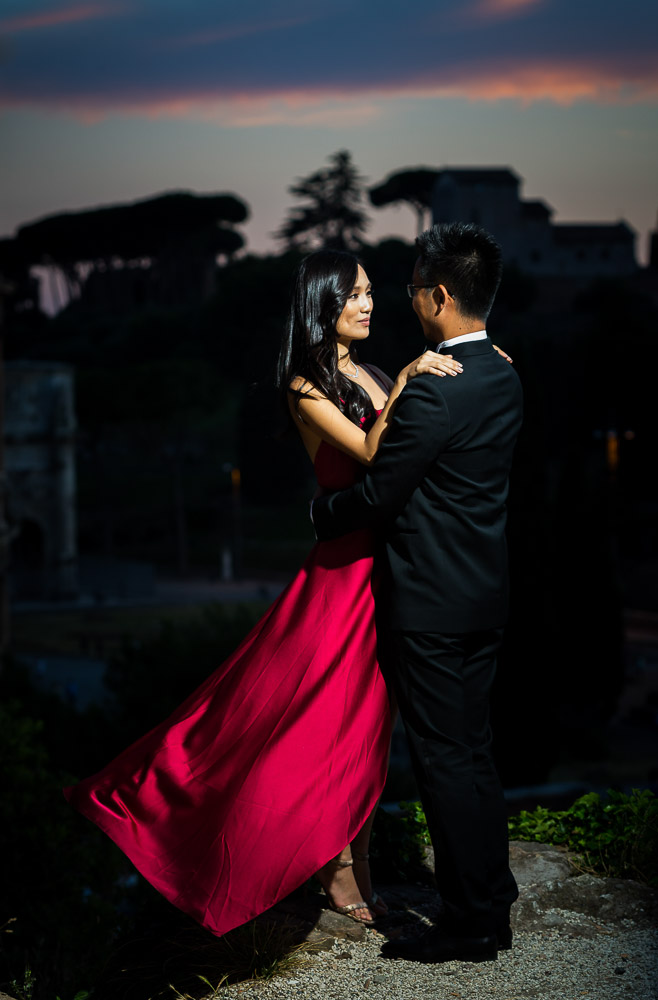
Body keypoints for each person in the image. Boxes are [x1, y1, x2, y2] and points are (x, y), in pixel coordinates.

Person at [64, 248, 459, 936]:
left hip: (384, 565)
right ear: (324, 304)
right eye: (356, 295)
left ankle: (357, 867)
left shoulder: (364, 372)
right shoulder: (304, 386)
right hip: (341, 576)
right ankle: (327, 869)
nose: (370, 304)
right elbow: (372, 457)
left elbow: (406, 453)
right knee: (307, 722)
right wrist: (406, 376)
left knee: (369, 731)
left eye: (370, 293)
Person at [312, 222, 524, 964]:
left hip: (429, 603)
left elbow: (376, 494)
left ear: (437, 295)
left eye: (407, 290)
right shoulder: (502, 373)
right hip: (482, 597)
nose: (403, 302)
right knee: (473, 752)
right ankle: (491, 903)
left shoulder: (437, 392)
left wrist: (317, 513)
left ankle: (469, 925)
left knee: (443, 761)